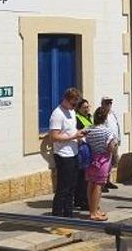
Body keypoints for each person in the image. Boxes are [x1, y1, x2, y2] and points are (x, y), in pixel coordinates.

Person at [49, 87, 86, 218]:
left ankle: (68, 216)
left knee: (72, 187)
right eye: (72, 103)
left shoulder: (71, 112)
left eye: (76, 104)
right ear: (66, 100)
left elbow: (71, 130)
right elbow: (53, 137)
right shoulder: (57, 114)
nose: (74, 106)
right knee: (63, 189)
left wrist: (79, 136)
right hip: (63, 155)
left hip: (73, 152)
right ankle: (57, 217)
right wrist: (73, 137)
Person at [85, 107, 117, 221]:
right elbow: (111, 147)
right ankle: (94, 213)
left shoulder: (89, 129)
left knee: (90, 184)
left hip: (91, 159)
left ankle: (93, 209)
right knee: (98, 185)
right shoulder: (107, 131)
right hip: (103, 160)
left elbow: (83, 140)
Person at [74, 98, 93, 210]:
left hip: (88, 149)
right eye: (84, 108)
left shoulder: (89, 117)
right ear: (79, 108)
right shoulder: (77, 118)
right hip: (82, 150)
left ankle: (79, 199)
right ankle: (82, 200)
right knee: (82, 177)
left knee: (83, 176)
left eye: (88, 107)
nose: (87, 109)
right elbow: (78, 134)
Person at [100, 96, 121, 191]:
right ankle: (102, 183)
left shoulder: (112, 114)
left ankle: (108, 181)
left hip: (115, 142)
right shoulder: (101, 115)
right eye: (107, 103)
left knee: (112, 163)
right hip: (107, 143)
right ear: (102, 103)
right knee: (105, 164)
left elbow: (117, 126)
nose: (109, 105)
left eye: (110, 103)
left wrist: (119, 138)